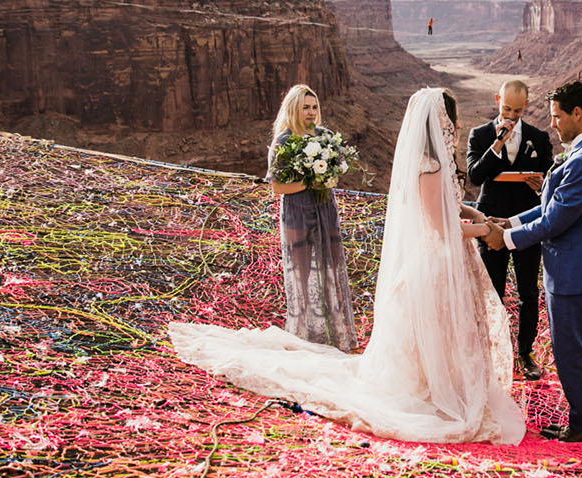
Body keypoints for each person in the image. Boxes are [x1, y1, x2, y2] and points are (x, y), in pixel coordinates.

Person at [169, 88, 525, 445]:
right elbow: (439, 227)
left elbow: (450, 207)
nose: (457, 124)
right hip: (434, 263)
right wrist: (486, 231)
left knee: (447, 331)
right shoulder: (429, 167)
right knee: (434, 331)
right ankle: (436, 390)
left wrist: (476, 214)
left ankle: (447, 386)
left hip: (446, 259)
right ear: (444, 121)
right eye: (453, 118)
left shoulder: (437, 163)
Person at [484, 81, 582, 442]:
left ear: (577, 113)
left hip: (574, 270)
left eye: (558, 116)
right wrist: (509, 222)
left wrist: (505, 239)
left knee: (571, 349)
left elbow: (554, 221)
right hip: (576, 267)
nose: (553, 123)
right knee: (576, 347)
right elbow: (549, 208)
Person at [466, 80, 553, 380]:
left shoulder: (539, 138)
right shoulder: (479, 135)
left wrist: (541, 184)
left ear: (526, 106)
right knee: (493, 290)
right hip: (491, 224)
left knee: (529, 291)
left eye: (517, 110)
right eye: (506, 109)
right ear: (497, 100)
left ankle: (525, 353)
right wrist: (498, 144)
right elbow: (476, 176)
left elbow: (550, 179)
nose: (512, 116)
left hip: (527, 226)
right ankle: (492, 352)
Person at [266, 85, 357, 352]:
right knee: (301, 274)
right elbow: (277, 187)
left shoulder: (326, 137)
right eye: (305, 107)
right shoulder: (283, 141)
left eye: (314, 107)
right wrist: (310, 182)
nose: (311, 112)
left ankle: (333, 335)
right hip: (297, 213)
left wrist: (327, 178)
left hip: (325, 210)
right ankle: (301, 337)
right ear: (293, 108)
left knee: (330, 268)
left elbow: (335, 174)